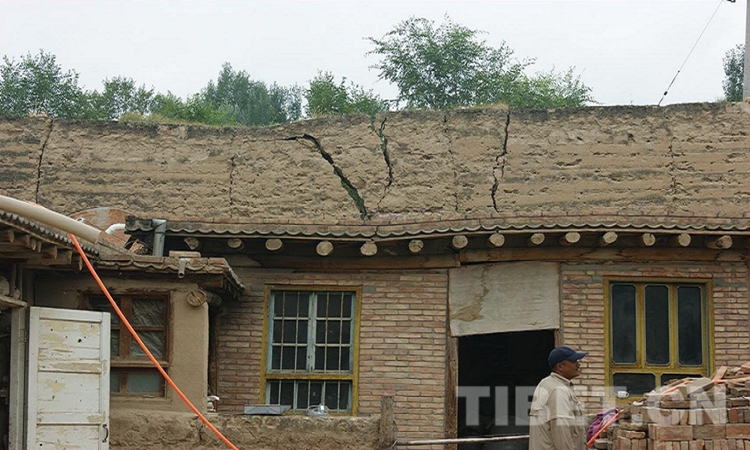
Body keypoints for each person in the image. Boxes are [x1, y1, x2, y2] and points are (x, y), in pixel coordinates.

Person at [528, 346, 587, 450]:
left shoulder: (547, 383)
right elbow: (562, 434)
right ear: (560, 366)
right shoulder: (558, 390)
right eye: (573, 361)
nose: (578, 365)